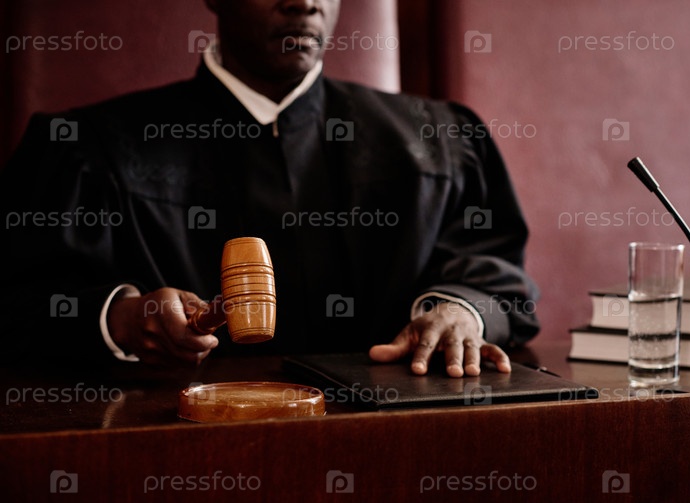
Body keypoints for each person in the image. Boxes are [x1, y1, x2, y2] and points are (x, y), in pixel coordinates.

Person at [0, 0, 540, 377]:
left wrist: (460, 310)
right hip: (171, 454)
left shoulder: (440, 140)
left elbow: (495, 268)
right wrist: (117, 319)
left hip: (399, 448)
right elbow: (17, 306)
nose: (304, 3)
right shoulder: (87, 149)